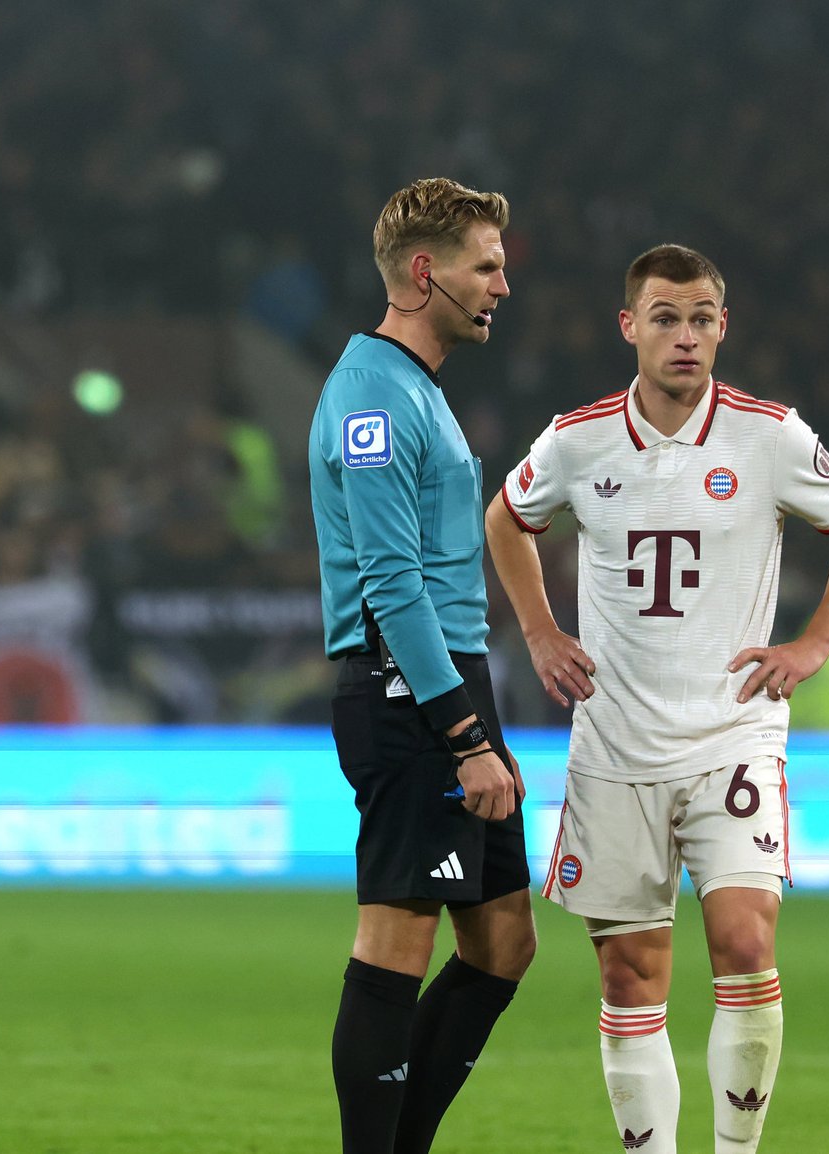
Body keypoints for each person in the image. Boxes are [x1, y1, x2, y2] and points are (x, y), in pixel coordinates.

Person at [485, 244, 829, 1152]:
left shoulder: (768, 435)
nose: (686, 335)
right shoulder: (578, 438)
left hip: (732, 737)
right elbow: (505, 521)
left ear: (723, 328)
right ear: (629, 327)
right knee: (632, 976)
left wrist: (817, 640)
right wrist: (542, 633)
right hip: (616, 745)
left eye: (703, 317)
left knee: (746, 944)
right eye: (666, 317)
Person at [308, 177, 537, 1154]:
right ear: (420, 270)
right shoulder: (369, 395)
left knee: (503, 940)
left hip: (448, 680)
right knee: (396, 941)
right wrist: (463, 736)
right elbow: (390, 585)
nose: (500, 283)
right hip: (405, 690)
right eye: (484, 265)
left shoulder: (415, 389)